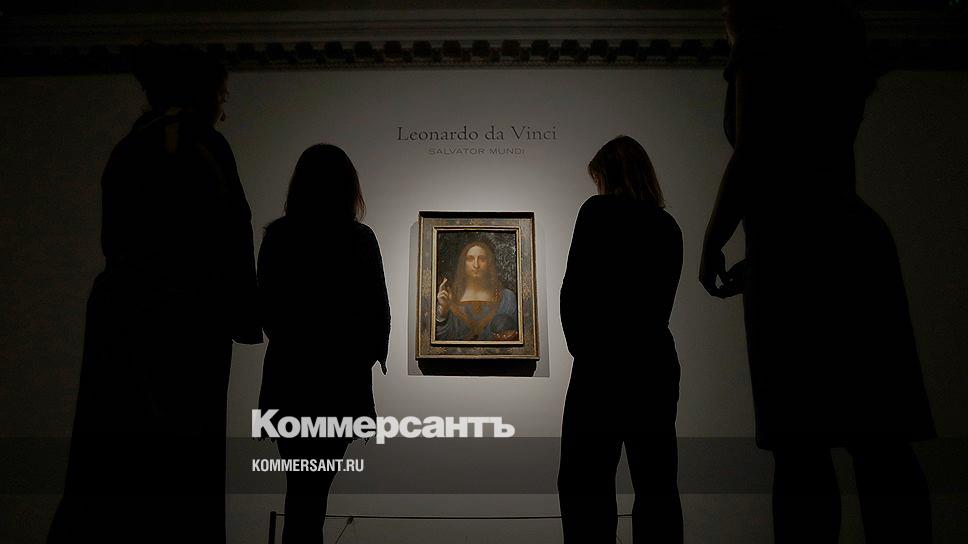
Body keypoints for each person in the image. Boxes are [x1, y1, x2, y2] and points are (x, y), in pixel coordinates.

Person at [699, 2, 935, 542]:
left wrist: (713, 239)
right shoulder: (836, 41)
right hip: (848, 243)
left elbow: (754, 149)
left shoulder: (761, 42)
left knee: (800, 445)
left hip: (794, 260)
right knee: (879, 440)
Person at [48, 43, 262, 544]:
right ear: (203, 94)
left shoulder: (131, 146)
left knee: (113, 451)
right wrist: (242, 315)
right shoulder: (204, 146)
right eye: (221, 96)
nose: (224, 109)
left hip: (123, 315)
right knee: (183, 459)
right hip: (188, 321)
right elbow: (232, 234)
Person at [257, 144, 390, 544]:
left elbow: (268, 313)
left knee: (302, 494)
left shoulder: (280, 236)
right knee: (312, 497)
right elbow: (377, 314)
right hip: (339, 386)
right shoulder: (359, 239)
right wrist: (357, 355)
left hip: (291, 382)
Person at [557, 135, 684, 543]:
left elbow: (573, 292)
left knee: (585, 484)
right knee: (657, 484)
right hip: (653, 362)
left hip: (601, 363)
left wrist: (583, 347)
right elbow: (662, 303)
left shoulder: (597, 212)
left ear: (608, 176)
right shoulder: (667, 226)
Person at [435, 239, 519, 341]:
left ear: (489, 263)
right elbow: (441, 339)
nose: (476, 265)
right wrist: (443, 312)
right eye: (470, 259)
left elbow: (515, 338)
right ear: (463, 263)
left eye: (482, 259)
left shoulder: (507, 298)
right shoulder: (449, 297)